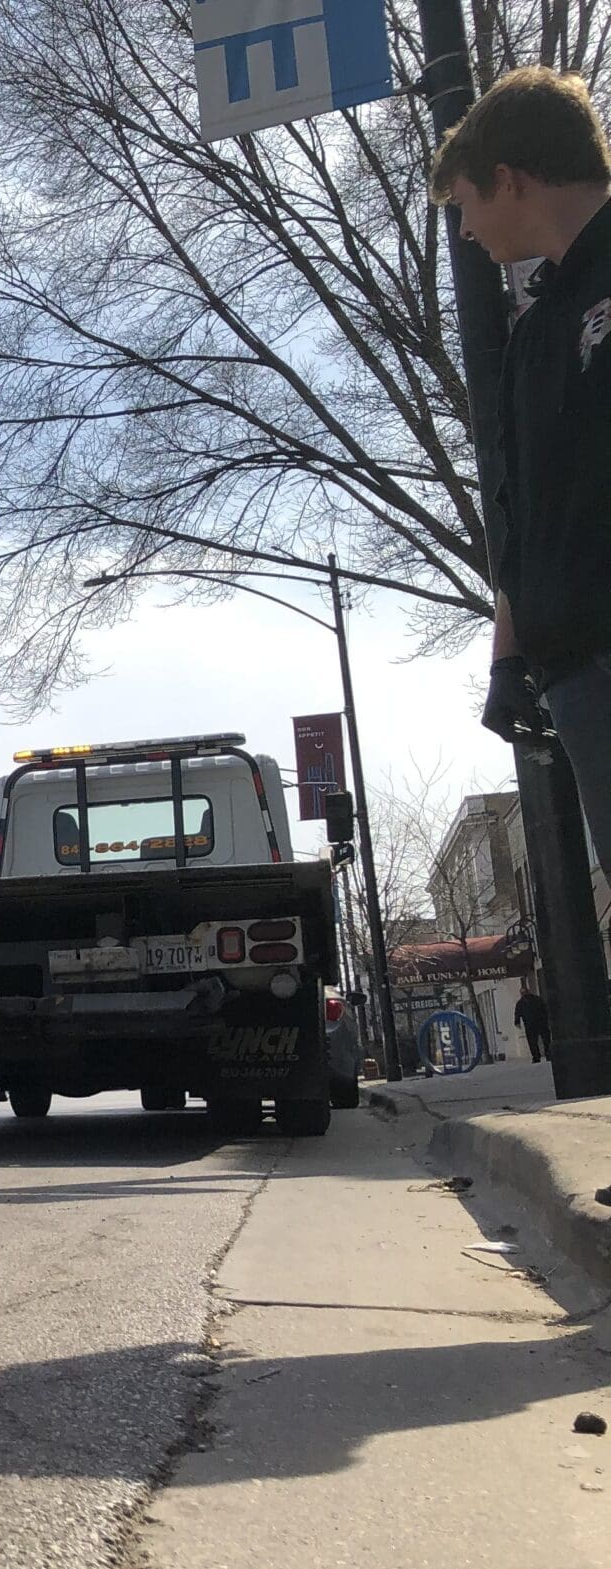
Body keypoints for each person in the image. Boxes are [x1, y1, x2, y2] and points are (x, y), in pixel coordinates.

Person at [436, 72, 611, 849]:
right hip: (577, 673)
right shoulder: (536, 337)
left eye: (465, 205)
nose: (466, 231)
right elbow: (527, 513)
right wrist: (509, 658)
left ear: (507, 179)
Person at [516, 982, 553, 1061]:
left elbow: (544, 1009)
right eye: (523, 993)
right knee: (534, 1042)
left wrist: (547, 1019)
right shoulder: (521, 1003)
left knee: (545, 1040)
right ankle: (537, 1056)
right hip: (531, 1024)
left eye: (524, 992)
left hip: (539, 1022)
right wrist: (517, 1022)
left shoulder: (536, 999)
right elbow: (517, 1013)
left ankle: (547, 1055)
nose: (524, 994)